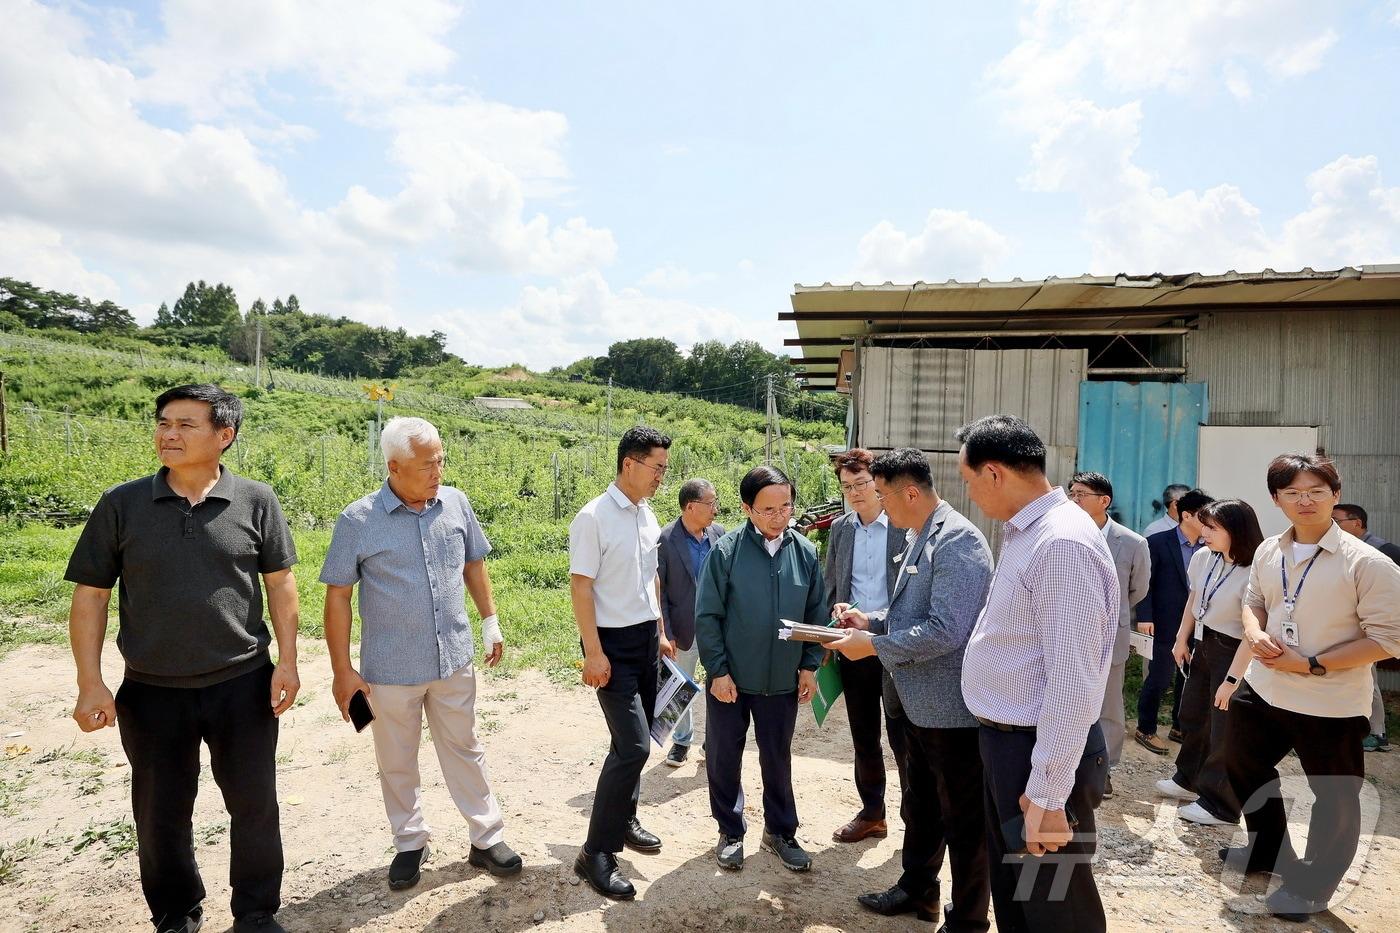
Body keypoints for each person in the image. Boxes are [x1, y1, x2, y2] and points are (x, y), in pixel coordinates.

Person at [65, 384, 300, 933]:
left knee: (255, 805)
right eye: (164, 423)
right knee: (159, 813)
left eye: (185, 425)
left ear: (225, 436)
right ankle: (175, 912)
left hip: (243, 682)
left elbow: (281, 584)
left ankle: (257, 911)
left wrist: (287, 662)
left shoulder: (256, 500)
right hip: (151, 689)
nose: (168, 434)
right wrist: (89, 683)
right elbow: (91, 596)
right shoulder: (122, 504)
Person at [320, 417, 521, 891]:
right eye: (428, 464)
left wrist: (489, 620)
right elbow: (338, 597)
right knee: (396, 756)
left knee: (465, 748)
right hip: (391, 668)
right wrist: (341, 670)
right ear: (394, 466)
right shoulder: (359, 520)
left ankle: (486, 836)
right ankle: (410, 841)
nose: (438, 472)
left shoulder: (455, 503)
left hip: (452, 655)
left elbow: (474, 561)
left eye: (441, 461)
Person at [956, 415, 1119, 933]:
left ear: (996, 474)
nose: (971, 495)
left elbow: (1073, 682)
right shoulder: (1029, 532)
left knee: (1055, 904)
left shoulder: (1062, 543)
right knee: (1020, 897)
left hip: (1038, 751)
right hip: (1010, 745)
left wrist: (1049, 795)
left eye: (969, 481)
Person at [1223, 454, 1400, 921]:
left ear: (1335, 496)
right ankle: (1267, 852)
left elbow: (1389, 639)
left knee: (1335, 795)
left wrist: (1314, 663)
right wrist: (1254, 630)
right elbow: (1254, 599)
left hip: (1330, 700)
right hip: (1264, 686)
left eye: (1316, 491)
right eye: (1293, 493)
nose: (1305, 501)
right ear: (1276, 499)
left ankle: (1313, 887)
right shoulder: (1268, 550)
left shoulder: (1368, 563)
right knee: (1241, 763)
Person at [828, 448, 993, 931]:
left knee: (963, 822)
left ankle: (968, 920)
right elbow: (909, 614)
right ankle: (917, 890)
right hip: (915, 703)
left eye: (881, 494)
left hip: (950, 710)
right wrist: (872, 620)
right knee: (920, 806)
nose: (877, 503)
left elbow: (945, 630)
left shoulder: (958, 541)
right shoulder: (922, 534)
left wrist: (873, 644)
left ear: (911, 492)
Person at [694, 465, 824, 873]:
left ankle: (780, 831)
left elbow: (815, 612)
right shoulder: (726, 552)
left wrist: (809, 664)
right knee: (723, 756)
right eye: (768, 509)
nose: (779, 516)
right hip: (731, 679)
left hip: (781, 681)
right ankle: (730, 830)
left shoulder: (805, 552)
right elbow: (707, 616)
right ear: (747, 508)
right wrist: (717, 671)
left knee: (777, 757)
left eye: (786, 506)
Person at [568, 425, 674, 900]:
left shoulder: (647, 515)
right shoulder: (592, 518)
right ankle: (594, 852)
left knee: (640, 736)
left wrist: (660, 630)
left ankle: (625, 817)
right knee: (632, 746)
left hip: (646, 640)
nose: (661, 478)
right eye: (657, 468)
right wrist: (593, 651)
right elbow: (581, 587)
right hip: (610, 644)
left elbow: (650, 577)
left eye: (665, 470)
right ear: (629, 464)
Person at [1154, 499, 1263, 827]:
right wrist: (1181, 638)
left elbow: (1252, 630)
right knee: (1193, 716)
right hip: (1204, 643)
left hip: (1234, 651)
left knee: (1224, 728)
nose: (1204, 534)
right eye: (1204, 526)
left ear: (1236, 531)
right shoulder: (1204, 558)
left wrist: (1232, 680)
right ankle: (1188, 779)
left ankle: (1222, 805)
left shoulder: (1256, 570)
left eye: (1212, 528)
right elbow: (1194, 598)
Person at [822, 448, 906, 844]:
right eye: (846, 486)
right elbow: (832, 583)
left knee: (904, 735)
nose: (854, 493)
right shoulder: (842, 529)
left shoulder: (905, 527)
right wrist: (832, 617)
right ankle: (872, 812)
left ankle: (917, 817)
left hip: (894, 644)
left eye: (861, 484)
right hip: (854, 645)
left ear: (878, 484)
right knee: (864, 734)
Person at [1067, 472, 1149, 799]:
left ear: (1104, 501)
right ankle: (1068, 764)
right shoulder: (1064, 535)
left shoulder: (1131, 543)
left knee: (1109, 707)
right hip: (1069, 634)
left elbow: (1138, 590)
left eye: (1081, 494)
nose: (1074, 500)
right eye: (1071, 493)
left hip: (1109, 637)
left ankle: (1106, 769)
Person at [1135, 488, 1214, 754]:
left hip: (1198, 623)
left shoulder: (1211, 547)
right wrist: (1144, 616)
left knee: (1190, 678)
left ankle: (1180, 727)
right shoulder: (1157, 542)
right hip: (1164, 621)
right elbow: (1145, 583)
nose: (1209, 521)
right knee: (1159, 678)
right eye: (1204, 515)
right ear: (1187, 515)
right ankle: (1145, 728)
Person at [656, 478, 725, 766]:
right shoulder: (665, 539)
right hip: (682, 631)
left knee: (719, 686)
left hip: (716, 629)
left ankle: (714, 741)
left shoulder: (718, 534)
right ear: (690, 506)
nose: (715, 510)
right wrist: (665, 632)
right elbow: (659, 590)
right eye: (710, 504)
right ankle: (681, 742)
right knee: (679, 689)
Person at [1333, 503, 1399, 752]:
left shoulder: (1383, 551)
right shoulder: (1341, 550)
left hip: (1374, 631)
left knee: (1365, 679)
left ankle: (1377, 732)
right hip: (1351, 627)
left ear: (1357, 523)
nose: (1332, 526)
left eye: (1337, 521)